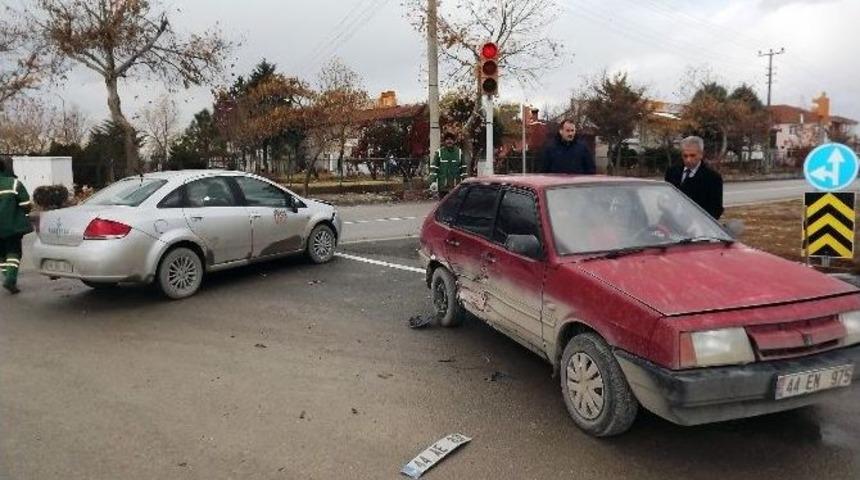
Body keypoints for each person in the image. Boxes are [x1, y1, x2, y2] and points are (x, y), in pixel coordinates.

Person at [664, 136, 724, 220]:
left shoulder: (713, 178)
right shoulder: (672, 172)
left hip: (698, 226)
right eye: (685, 156)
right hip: (672, 223)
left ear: (701, 154)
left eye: (692, 155)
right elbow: (668, 200)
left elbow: (716, 210)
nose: (688, 160)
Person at [0, 156, 33, 294]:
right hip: (12, 226)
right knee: (14, 252)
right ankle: (10, 279)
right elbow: (26, 205)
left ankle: (7, 276)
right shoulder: (14, 183)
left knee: (1, 255)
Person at [428, 132, 467, 197]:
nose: (449, 141)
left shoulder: (459, 152)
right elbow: (433, 169)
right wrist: (433, 181)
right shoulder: (439, 152)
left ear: (454, 141)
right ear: (444, 141)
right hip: (443, 186)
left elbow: (463, 170)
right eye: (447, 139)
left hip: (455, 186)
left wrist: (465, 183)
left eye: (451, 139)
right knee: (443, 205)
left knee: (455, 204)